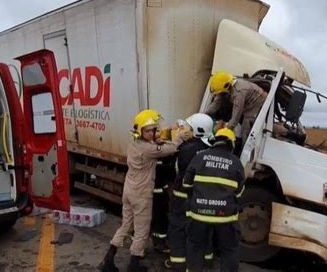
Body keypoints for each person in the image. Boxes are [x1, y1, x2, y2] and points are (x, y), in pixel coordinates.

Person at [99, 109, 187, 272]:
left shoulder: (134, 143)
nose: (153, 132)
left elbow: (152, 147)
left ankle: (108, 260)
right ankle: (134, 264)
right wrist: (180, 136)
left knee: (125, 225)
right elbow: (172, 148)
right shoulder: (148, 149)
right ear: (141, 131)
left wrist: (156, 142)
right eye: (149, 130)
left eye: (153, 130)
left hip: (129, 190)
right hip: (141, 193)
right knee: (142, 230)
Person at [183, 128, 245, 272]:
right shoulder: (236, 162)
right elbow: (240, 191)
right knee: (229, 249)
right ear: (231, 144)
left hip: (198, 214)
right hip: (225, 217)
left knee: (195, 246)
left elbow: (186, 184)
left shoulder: (199, 157)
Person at [165, 113, 215, 270]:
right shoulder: (212, 149)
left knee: (178, 230)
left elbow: (176, 170)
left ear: (198, 130)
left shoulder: (187, 150)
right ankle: (206, 262)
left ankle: (178, 264)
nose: (187, 130)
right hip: (203, 198)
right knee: (203, 231)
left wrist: (176, 144)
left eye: (190, 128)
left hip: (182, 198)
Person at [205, 71, 267, 144]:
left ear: (227, 87)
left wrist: (226, 130)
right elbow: (217, 102)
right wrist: (205, 114)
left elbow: (236, 114)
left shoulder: (239, 93)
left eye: (220, 93)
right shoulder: (225, 88)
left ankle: (243, 148)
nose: (219, 95)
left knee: (246, 128)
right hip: (246, 101)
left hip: (256, 102)